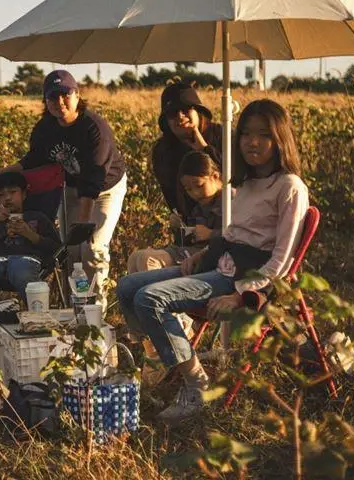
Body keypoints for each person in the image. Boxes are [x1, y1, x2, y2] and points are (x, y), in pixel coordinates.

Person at [115, 99, 309, 424]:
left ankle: (196, 384)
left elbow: (284, 259)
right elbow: (233, 234)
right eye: (246, 133)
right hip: (218, 264)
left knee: (149, 299)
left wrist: (242, 293)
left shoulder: (289, 187)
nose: (251, 141)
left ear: (280, 139)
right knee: (127, 286)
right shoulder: (247, 183)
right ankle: (168, 357)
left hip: (240, 278)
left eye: (263, 134)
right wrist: (204, 254)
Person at [0, 70, 127, 303]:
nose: (59, 102)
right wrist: (3, 171)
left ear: (77, 95)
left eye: (65, 94)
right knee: (70, 251)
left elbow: (93, 180)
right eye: (52, 97)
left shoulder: (94, 129)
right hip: (72, 188)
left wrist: (82, 223)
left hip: (104, 190)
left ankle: (95, 311)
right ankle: (75, 307)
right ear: (45, 101)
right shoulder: (46, 128)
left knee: (91, 248)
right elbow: (33, 159)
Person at [128, 80, 223, 273]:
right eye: (172, 114)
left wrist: (205, 150)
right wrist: (182, 225)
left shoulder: (221, 135)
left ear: (198, 111)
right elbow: (171, 196)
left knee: (148, 261)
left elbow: (232, 183)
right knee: (136, 258)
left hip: (220, 234)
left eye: (186, 110)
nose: (180, 117)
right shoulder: (164, 150)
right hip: (192, 231)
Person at [0, 171, 62, 314]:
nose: (7, 198)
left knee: (19, 268)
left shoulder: (36, 217)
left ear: (23, 194)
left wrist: (31, 234)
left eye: (12, 192)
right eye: (1, 195)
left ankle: (38, 316)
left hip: (27, 260)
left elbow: (56, 248)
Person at [129, 151, 226, 272]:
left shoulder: (231, 200)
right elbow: (187, 241)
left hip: (209, 255)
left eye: (199, 185)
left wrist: (211, 233)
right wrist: (179, 227)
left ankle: (155, 291)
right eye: (189, 189)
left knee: (148, 259)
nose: (195, 193)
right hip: (188, 252)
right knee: (135, 257)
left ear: (215, 177)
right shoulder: (198, 207)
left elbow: (241, 234)